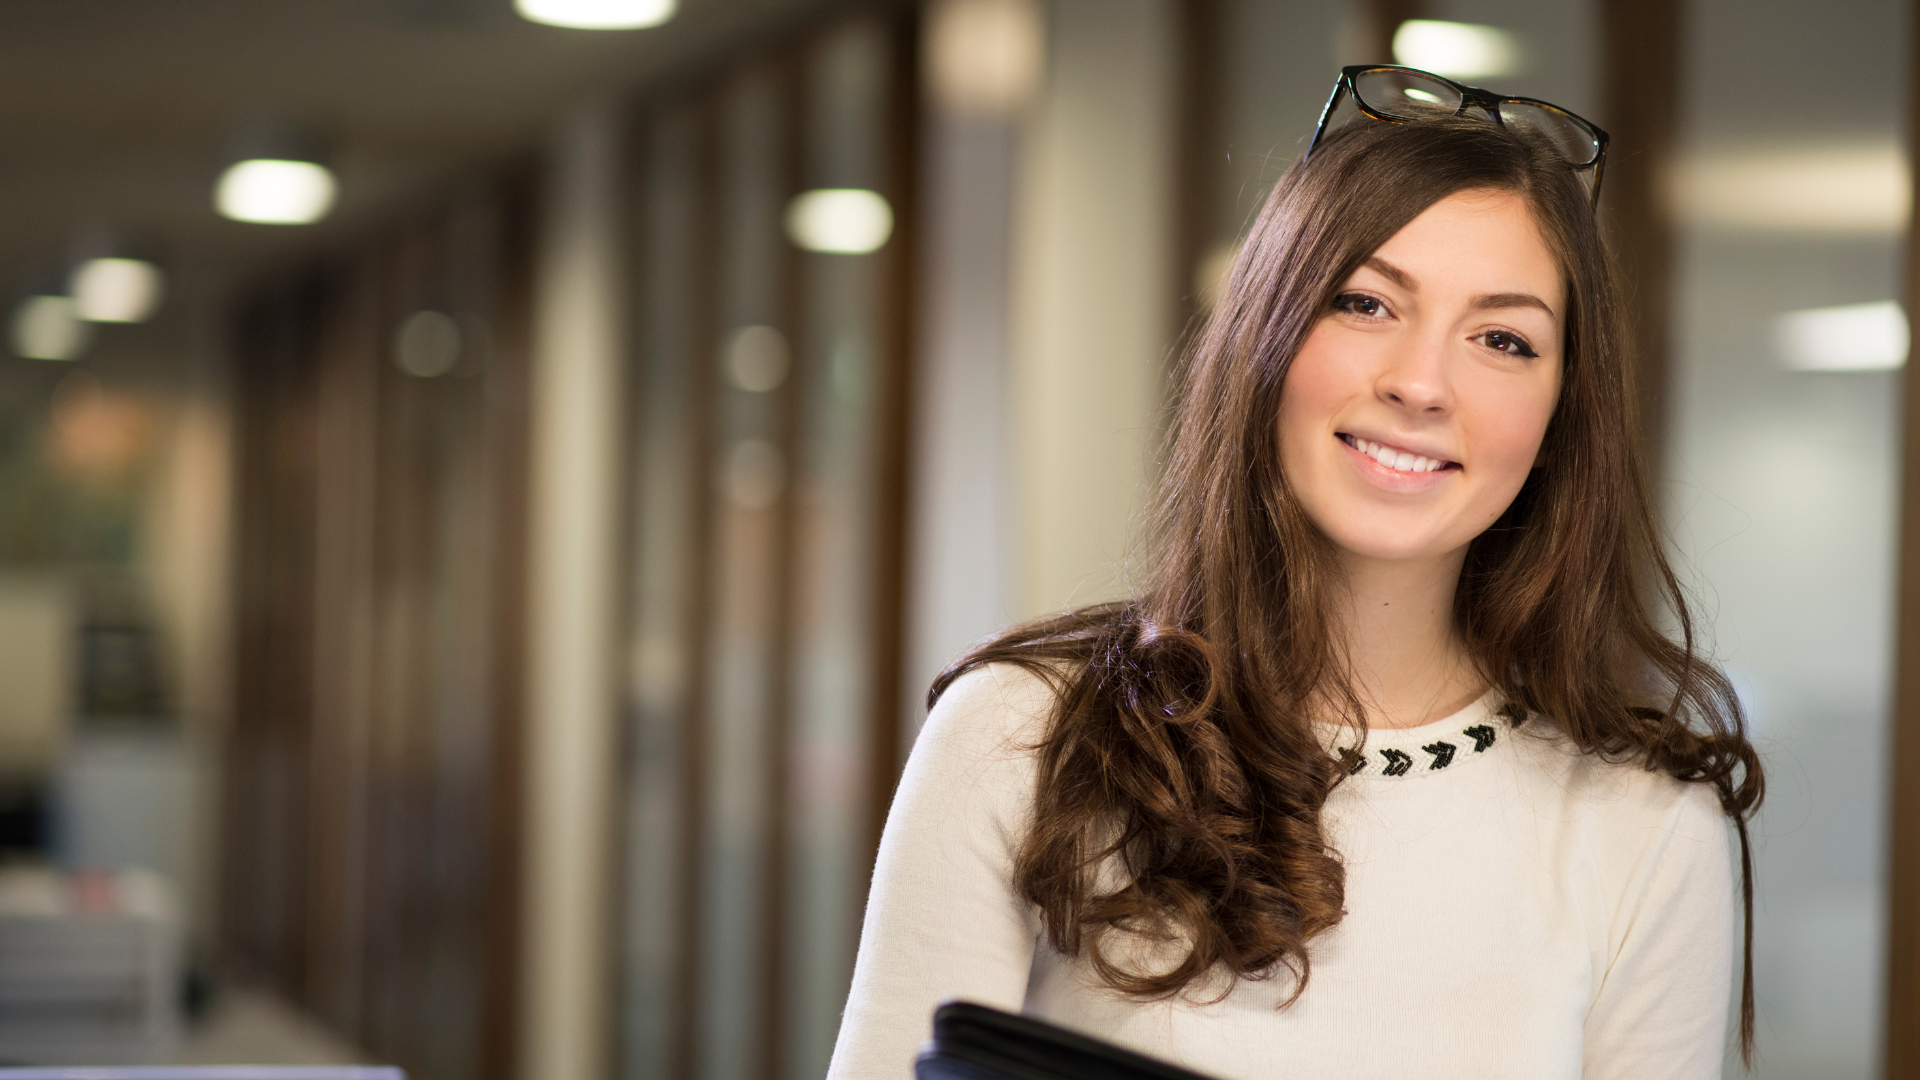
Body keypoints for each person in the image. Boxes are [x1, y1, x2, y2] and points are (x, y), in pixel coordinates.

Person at [827, 66, 1763, 1080]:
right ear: (1264, 339)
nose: (1418, 382)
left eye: (1503, 339)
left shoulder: (1643, 825)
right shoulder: (1025, 736)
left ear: (1557, 422)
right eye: (1364, 303)